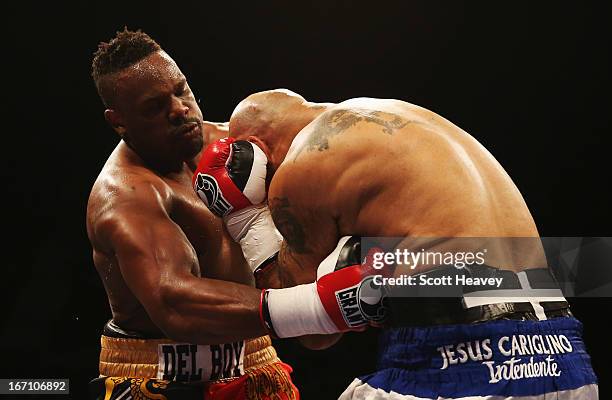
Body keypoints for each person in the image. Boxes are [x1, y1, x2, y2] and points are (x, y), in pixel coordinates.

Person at [192, 89, 599, 399]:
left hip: (461, 360)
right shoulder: (393, 114)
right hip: (566, 356)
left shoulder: (299, 170)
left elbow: (313, 332)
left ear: (252, 157)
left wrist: (245, 218)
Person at [86, 30, 299, 400]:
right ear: (118, 122)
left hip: (254, 358)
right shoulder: (125, 194)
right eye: (155, 107)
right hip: (156, 374)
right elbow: (175, 302)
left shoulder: (242, 149)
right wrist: (319, 306)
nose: (180, 109)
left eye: (180, 90)